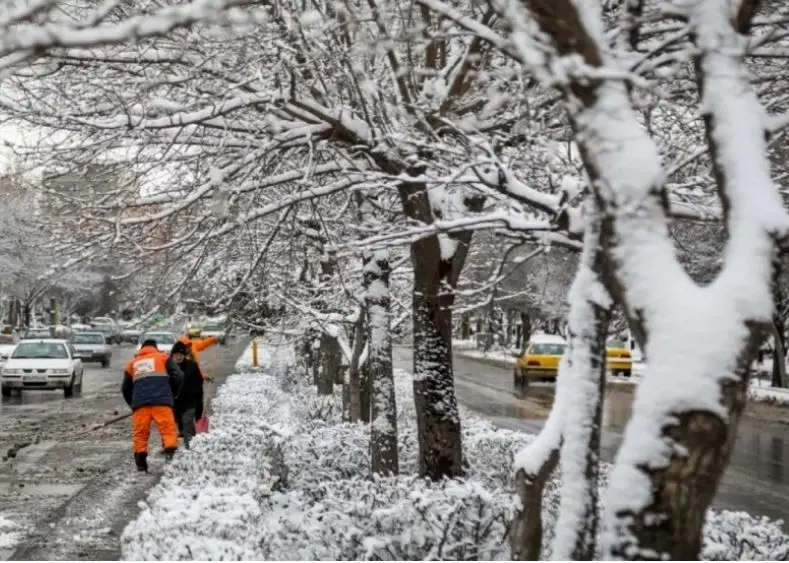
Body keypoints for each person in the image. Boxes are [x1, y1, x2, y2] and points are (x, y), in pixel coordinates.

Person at [122, 339, 183, 472]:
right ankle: (170, 458)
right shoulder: (163, 358)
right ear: (155, 348)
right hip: (162, 402)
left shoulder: (132, 363)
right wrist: (173, 393)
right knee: (168, 430)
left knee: (140, 434)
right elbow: (178, 375)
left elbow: (125, 388)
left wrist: (133, 404)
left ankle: (141, 465)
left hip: (140, 405)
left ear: (142, 349)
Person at [170, 341, 204, 449]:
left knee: (187, 425)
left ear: (184, 355)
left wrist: (199, 412)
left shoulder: (192, 366)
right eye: (176, 354)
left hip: (189, 403)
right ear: (172, 355)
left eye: (181, 354)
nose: (179, 357)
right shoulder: (168, 368)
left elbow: (199, 388)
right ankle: (192, 444)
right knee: (179, 427)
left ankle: (190, 449)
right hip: (174, 405)